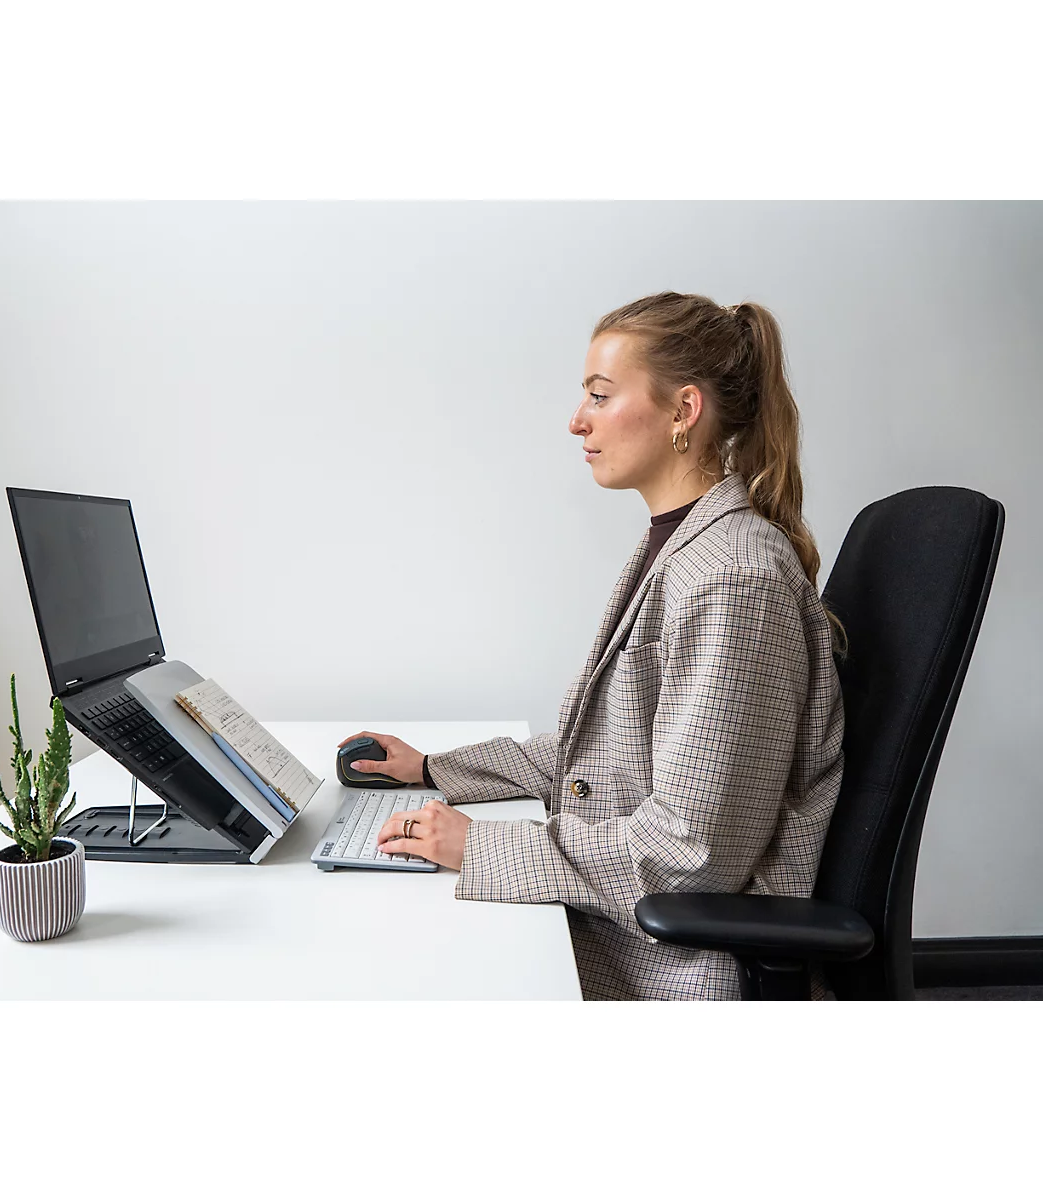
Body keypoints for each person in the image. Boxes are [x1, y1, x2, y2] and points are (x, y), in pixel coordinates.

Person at [338, 291, 846, 1001]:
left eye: (601, 396)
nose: (578, 420)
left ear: (683, 411)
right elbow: (602, 760)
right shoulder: (679, 544)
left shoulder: (732, 578)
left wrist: (480, 846)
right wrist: (433, 768)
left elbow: (689, 854)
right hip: (630, 923)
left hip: (673, 964)